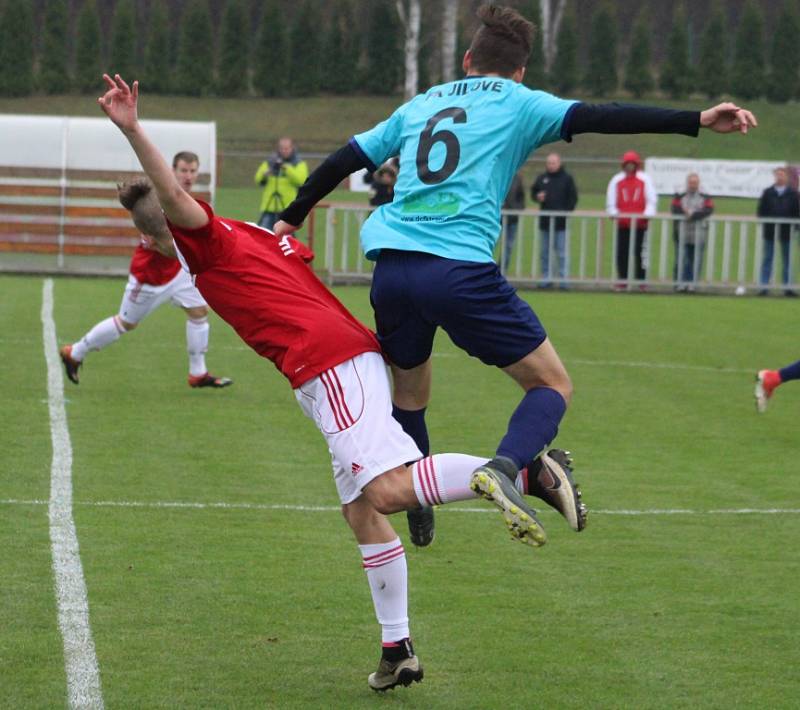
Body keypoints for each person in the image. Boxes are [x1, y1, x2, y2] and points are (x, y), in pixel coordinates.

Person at [97, 73, 586, 692]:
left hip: (328, 365)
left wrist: (133, 130)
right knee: (361, 512)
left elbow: (169, 200)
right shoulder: (255, 234)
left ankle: (523, 470)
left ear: (155, 239)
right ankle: (398, 649)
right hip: (345, 361)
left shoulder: (211, 243)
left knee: (383, 491)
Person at [273, 4, 756, 548]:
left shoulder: (423, 102)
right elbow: (605, 114)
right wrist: (694, 119)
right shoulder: (521, 102)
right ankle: (508, 466)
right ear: (520, 71)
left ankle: (418, 498)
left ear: (467, 59)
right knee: (553, 384)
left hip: (391, 269)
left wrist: (292, 214)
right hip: (457, 269)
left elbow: (347, 157)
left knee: (410, 390)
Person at [59, 151, 231, 389]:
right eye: (183, 170)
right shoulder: (157, 200)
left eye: (193, 171)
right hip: (150, 276)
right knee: (126, 323)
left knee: (199, 311)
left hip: (177, 271)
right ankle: (74, 352)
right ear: (173, 171)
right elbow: (158, 243)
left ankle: (198, 373)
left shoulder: (186, 199)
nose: (188, 176)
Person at [606, 150, 657, 290]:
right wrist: (613, 212)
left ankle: (641, 280)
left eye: (632, 164)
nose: (630, 167)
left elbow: (651, 199)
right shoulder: (617, 180)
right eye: (627, 164)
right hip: (623, 224)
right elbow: (611, 200)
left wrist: (647, 214)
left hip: (640, 224)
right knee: (622, 252)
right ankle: (623, 279)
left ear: (636, 165)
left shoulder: (645, 180)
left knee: (640, 252)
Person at [531, 153, 578, 288]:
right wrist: (537, 197)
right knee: (544, 252)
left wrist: (565, 212)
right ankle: (546, 277)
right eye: (549, 163)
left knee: (562, 253)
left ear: (559, 163)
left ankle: (564, 279)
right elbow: (533, 193)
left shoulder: (567, 179)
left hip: (561, 223)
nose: (551, 165)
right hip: (545, 222)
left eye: (553, 163)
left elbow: (573, 198)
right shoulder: (542, 178)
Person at [757, 166, 800, 296]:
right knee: (768, 258)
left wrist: (796, 227)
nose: (780, 177)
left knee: (787, 259)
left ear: (786, 177)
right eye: (778, 174)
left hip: (787, 230)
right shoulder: (767, 192)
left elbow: (797, 212)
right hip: (770, 230)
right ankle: (763, 287)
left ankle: (788, 287)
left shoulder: (793, 194)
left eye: (782, 174)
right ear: (774, 176)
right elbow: (761, 211)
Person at [670, 173, 714, 290]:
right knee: (681, 259)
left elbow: (709, 210)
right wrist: (686, 213)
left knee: (696, 260)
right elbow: (674, 209)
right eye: (691, 183)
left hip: (699, 234)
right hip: (681, 233)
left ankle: (692, 284)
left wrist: (693, 215)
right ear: (687, 183)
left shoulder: (705, 196)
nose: (693, 185)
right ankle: (679, 284)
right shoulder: (679, 195)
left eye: (695, 183)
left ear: (698, 184)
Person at [254, 137, 308, 230]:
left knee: (287, 239)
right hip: (269, 207)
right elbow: (258, 179)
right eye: (282, 148)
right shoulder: (270, 162)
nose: (284, 151)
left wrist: (286, 168)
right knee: (263, 237)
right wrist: (266, 174)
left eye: (287, 148)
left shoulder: (298, 163)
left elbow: (301, 180)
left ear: (292, 148)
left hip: (288, 207)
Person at [500, 171, 524, 272]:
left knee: (508, 246)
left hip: (512, 218)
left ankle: (501, 269)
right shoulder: (498, 175)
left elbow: (521, 196)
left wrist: (517, 208)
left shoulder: (517, 178)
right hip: (496, 218)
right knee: (489, 245)